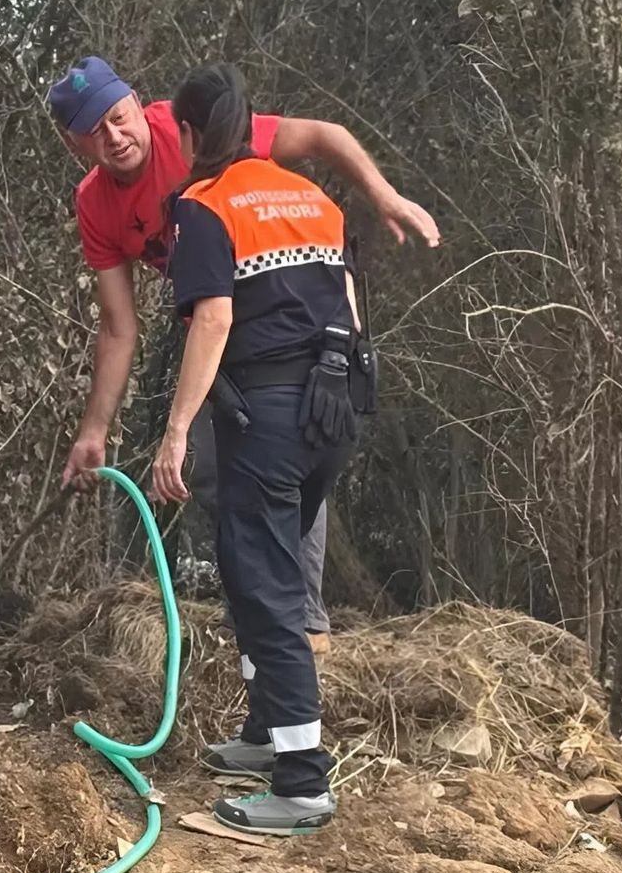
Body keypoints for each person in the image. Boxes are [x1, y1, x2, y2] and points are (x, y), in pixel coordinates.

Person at [47, 55, 438, 650]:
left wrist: (383, 196)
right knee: (216, 467)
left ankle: (300, 622)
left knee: (280, 455)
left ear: (136, 104)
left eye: (119, 118)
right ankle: (259, 613)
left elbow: (323, 135)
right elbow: (119, 327)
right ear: (74, 143)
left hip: (284, 305)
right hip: (218, 316)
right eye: (94, 133)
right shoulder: (96, 203)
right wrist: (94, 429)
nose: (115, 137)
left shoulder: (187, 127)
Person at [152, 63, 370, 836]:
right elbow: (345, 299)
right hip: (334, 410)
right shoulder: (310, 197)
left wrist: (176, 430)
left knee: (267, 585)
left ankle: (303, 781)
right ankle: (261, 736)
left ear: (186, 135)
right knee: (258, 572)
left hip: (269, 412)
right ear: (251, 130)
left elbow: (212, 319)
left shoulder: (205, 207)